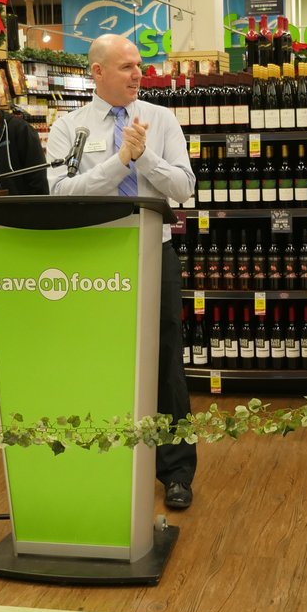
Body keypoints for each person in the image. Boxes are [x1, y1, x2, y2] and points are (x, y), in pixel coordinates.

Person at [45, 34, 198, 510]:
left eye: (140, 66)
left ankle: (175, 471)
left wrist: (144, 155)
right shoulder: (69, 127)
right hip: (93, 260)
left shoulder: (162, 118)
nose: (138, 75)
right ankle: (104, 458)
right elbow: (60, 193)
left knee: (165, 360)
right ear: (98, 72)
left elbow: (184, 188)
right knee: (98, 357)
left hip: (154, 251)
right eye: (128, 66)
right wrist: (119, 162)